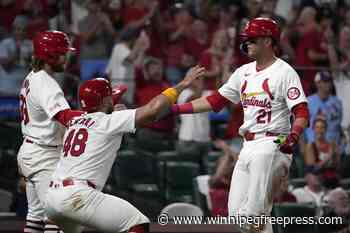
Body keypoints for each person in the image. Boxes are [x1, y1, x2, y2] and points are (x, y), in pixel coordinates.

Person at [170, 17, 309, 233]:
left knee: (251, 216)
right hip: (247, 146)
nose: (247, 43)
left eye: (252, 39)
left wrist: (294, 135)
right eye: (247, 39)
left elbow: (301, 111)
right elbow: (214, 101)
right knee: (238, 217)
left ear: (268, 41)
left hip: (273, 143)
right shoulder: (243, 72)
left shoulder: (284, 72)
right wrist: (175, 109)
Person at [45, 66, 205, 232]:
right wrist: (183, 84)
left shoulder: (74, 120)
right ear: (106, 102)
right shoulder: (110, 120)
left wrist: (111, 112)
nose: (115, 101)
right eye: (111, 98)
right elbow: (153, 110)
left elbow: (89, 120)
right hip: (78, 195)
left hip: (53, 197)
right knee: (137, 223)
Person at [17, 30, 84, 233]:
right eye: (62, 53)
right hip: (44, 155)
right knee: (58, 217)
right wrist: (99, 115)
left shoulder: (32, 77)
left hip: (32, 150)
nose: (67, 57)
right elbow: (64, 117)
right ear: (49, 55)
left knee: (35, 218)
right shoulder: (46, 83)